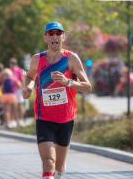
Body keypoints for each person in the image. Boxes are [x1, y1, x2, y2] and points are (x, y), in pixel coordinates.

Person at [22, 21, 92, 179]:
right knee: (49, 162)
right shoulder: (37, 59)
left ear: (63, 37)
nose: (55, 36)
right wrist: (28, 87)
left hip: (66, 119)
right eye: (51, 33)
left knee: (59, 167)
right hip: (44, 118)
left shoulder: (71, 59)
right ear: (46, 37)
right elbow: (29, 77)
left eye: (58, 33)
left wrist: (68, 82)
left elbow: (88, 87)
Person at [9, 57, 26, 126]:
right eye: (11, 63)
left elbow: (22, 80)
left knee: (19, 105)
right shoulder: (9, 70)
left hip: (18, 90)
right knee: (13, 106)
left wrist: (23, 89)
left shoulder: (19, 70)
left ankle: (20, 120)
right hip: (11, 91)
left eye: (13, 63)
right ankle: (13, 121)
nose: (12, 64)